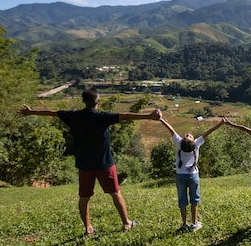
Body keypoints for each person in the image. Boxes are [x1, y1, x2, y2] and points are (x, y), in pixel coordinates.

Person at [18, 88, 161, 236]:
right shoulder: (102, 117)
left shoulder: (73, 116)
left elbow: (52, 112)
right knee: (115, 193)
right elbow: (125, 116)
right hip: (104, 164)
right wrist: (149, 116)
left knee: (84, 197)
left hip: (84, 165)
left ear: (83, 101)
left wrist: (32, 112)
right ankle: (126, 223)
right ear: (97, 101)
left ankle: (88, 228)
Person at [158, 116, 226, 232]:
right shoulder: (197, 144)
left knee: (182, 200)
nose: (188, 134)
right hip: (193, 175)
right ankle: (194, 224)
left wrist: (161, 119)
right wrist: (220, 124)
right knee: (194, 199)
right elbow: (208, 132)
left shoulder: (179, 143)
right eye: (188, 136)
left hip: (180, 176)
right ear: (193, 143)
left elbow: (171, 130)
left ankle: (184, 225)